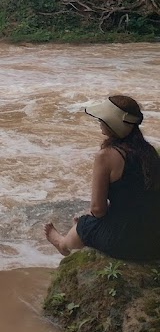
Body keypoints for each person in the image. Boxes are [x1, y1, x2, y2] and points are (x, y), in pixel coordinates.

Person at [45, 94, 160, 262]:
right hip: (154, 241)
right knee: (94, 222)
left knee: (85, 224)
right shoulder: (150, 152)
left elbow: (98, 210)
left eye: (102, 119)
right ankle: (79, 230)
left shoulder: (106, 156)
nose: (99, 122)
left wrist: (91, 221)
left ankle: (62, 243)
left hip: (125, 243)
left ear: (113, 123)